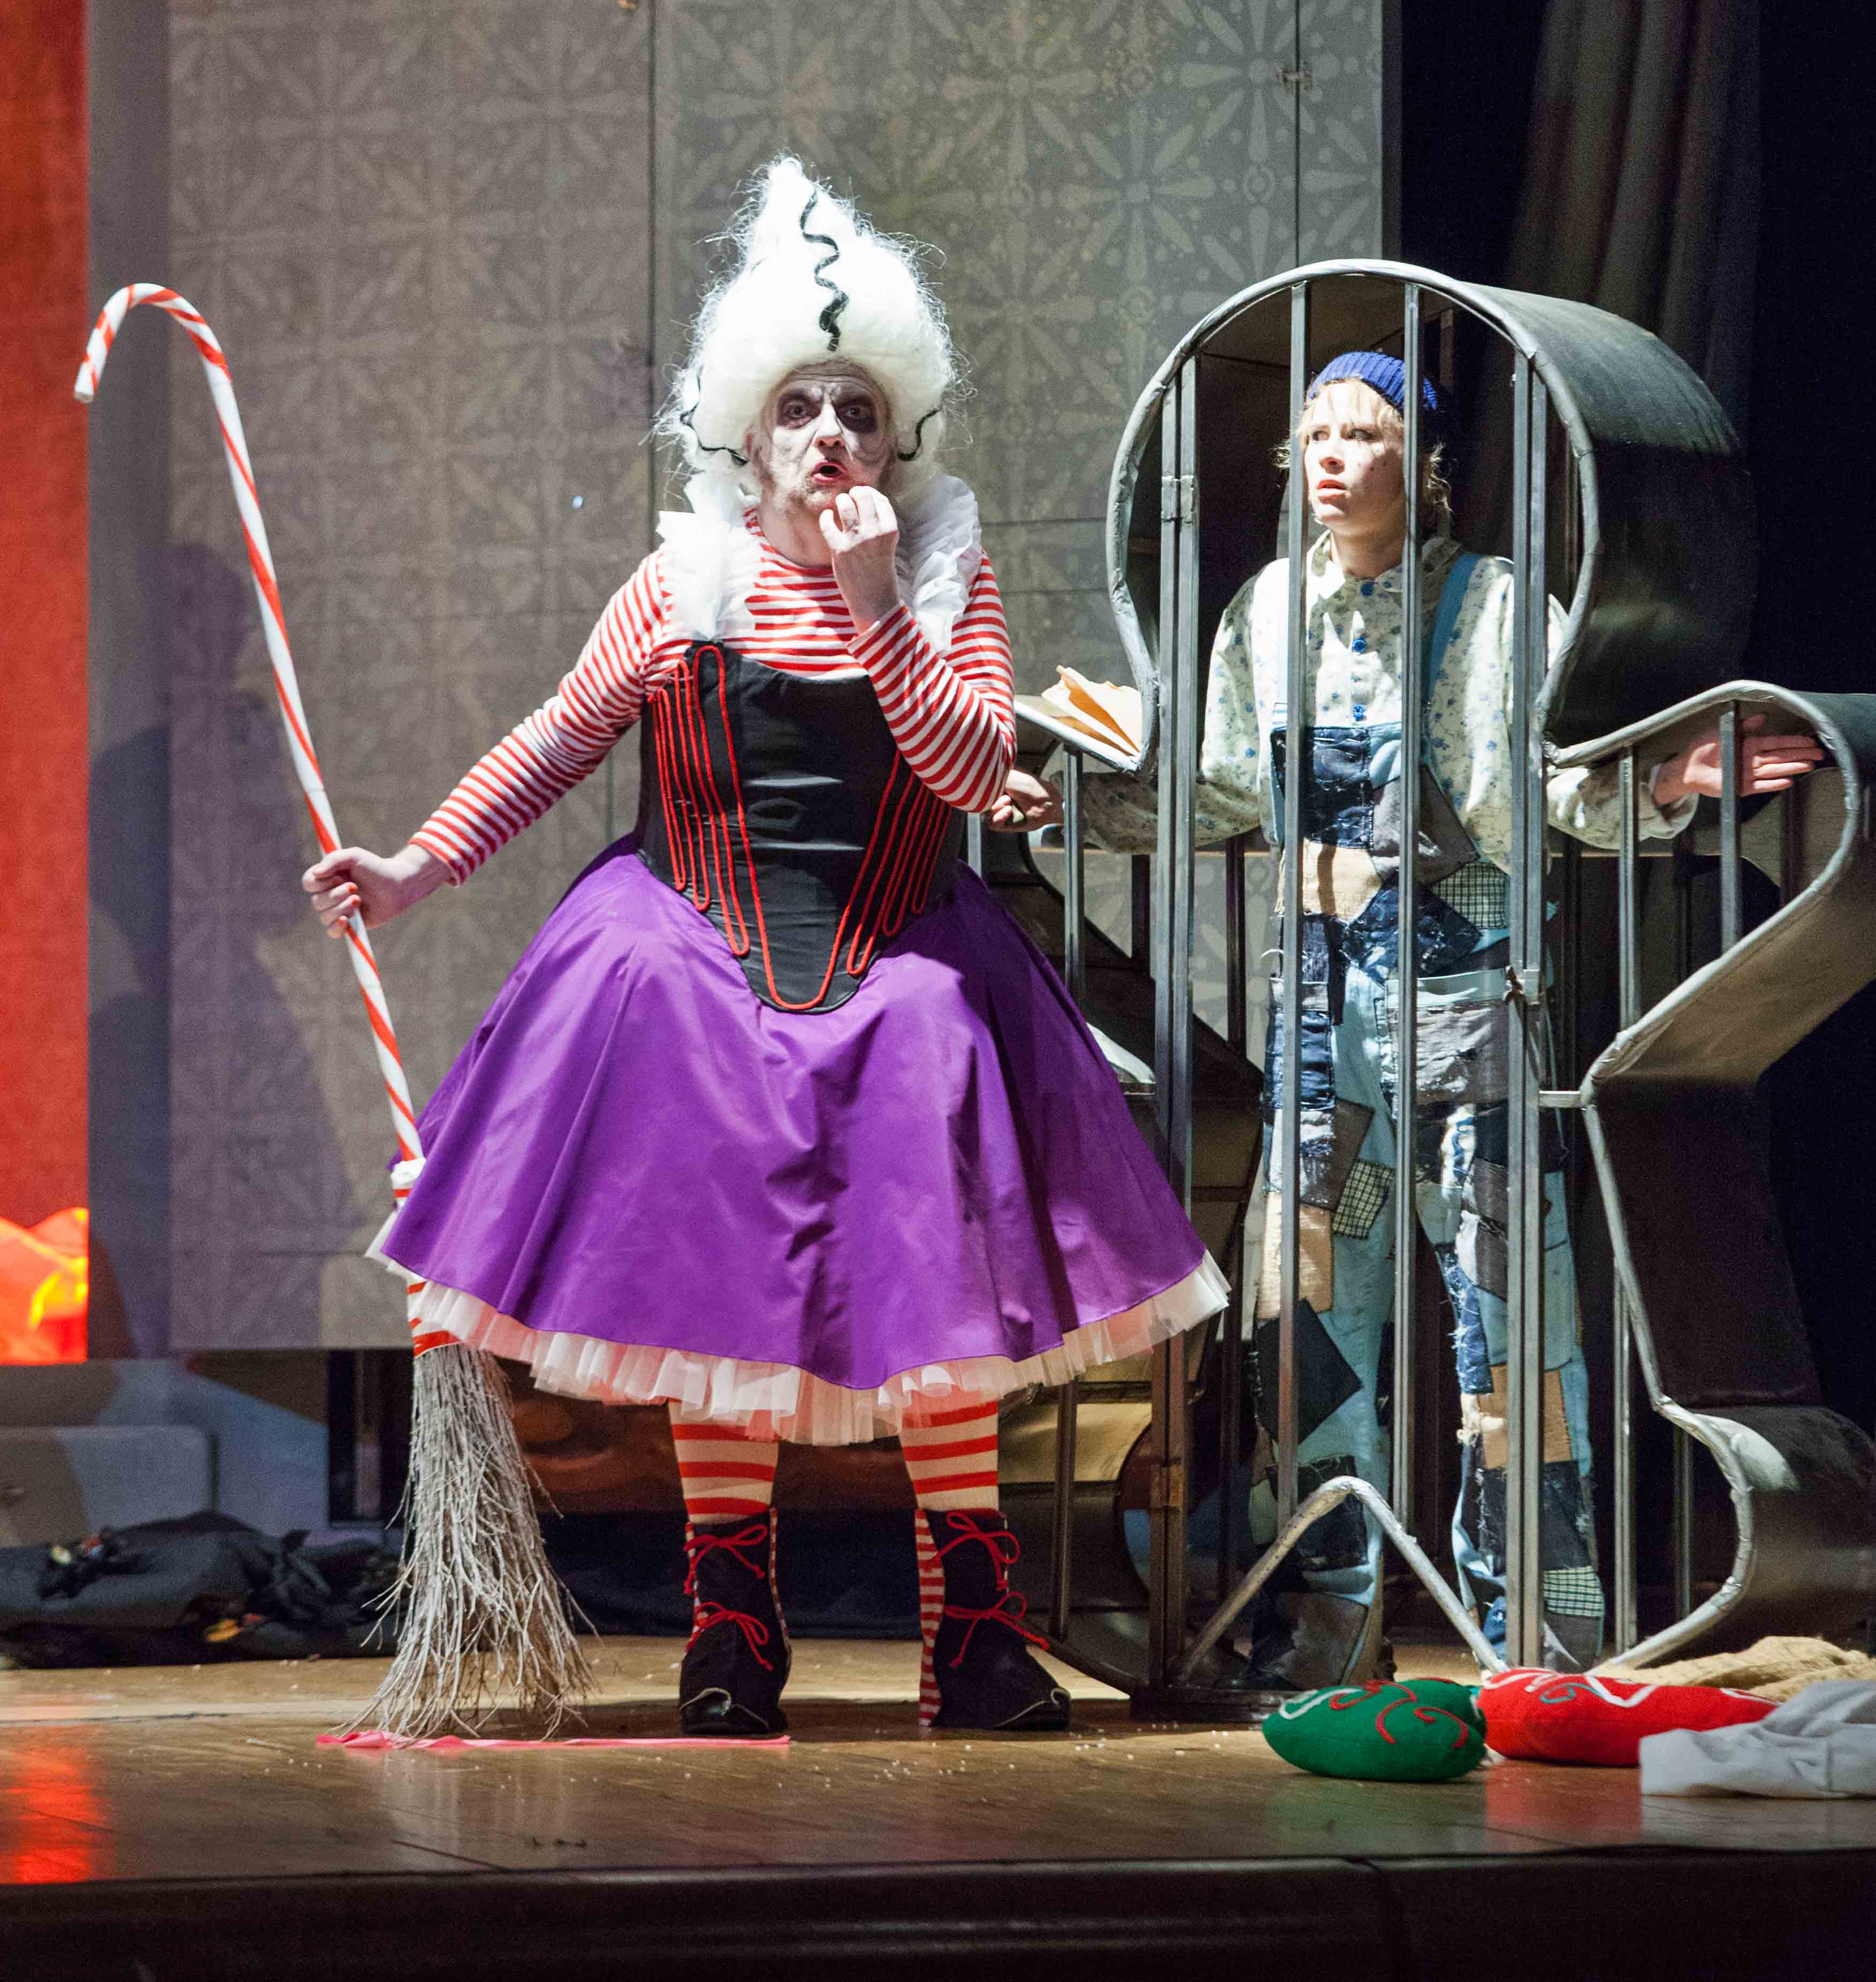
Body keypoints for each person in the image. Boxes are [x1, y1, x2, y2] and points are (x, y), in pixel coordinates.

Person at [303, 161, 1223, 1738]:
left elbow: (963, 772)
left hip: (902, 946)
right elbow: (558, 735)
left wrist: (875, 600)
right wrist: (418, 863)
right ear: (747, 430)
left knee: (939, 1258)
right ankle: (731, 1624)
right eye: (798, 407)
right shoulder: (683, 579)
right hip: (690, 948)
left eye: (859, 408)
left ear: (898, 433)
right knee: (710, 1286)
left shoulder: (943, 568)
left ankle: (969, 1629)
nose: (829, 434)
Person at [1033, 348, 1820, 1686]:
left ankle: (1538, 1630)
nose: (1330, 458)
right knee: (1307, 1330)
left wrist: (1663, 779)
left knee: (1510, 1329)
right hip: (1318, 1032)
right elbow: (1219, 789)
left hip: (1464, 1021)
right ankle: (1320, 1627)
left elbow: (1554, 791)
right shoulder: (1265, 611)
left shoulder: (1493, 605)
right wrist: (1071, 798)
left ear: (1426, 464)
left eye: (1363, 434)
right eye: (1313, 437)